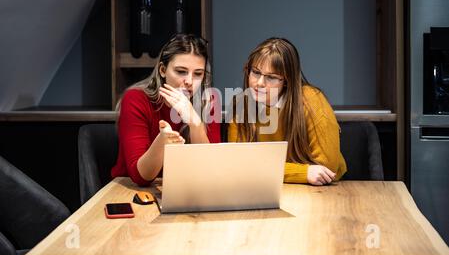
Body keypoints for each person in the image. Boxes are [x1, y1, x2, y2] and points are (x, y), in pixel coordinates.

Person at [227, 38, 346, 186]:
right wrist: (303, 173)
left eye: (271, 77)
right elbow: (239, 164)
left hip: (321, 191)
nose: (259, 83)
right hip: (264, 187)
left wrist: (264, 168)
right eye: (256, 72)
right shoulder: (241, 105)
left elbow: (326, 169)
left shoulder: (312, 101)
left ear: (287, 81)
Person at [111, 34, 221, 186]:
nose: (189, 81)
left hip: (183, 189)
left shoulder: (208, 102)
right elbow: (141, 177)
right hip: (132, 190)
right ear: (163, 70)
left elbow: (211, 171)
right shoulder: (136, 99)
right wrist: (162, 141)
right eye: (181, 71)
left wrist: (195, 123)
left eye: (197, 74)